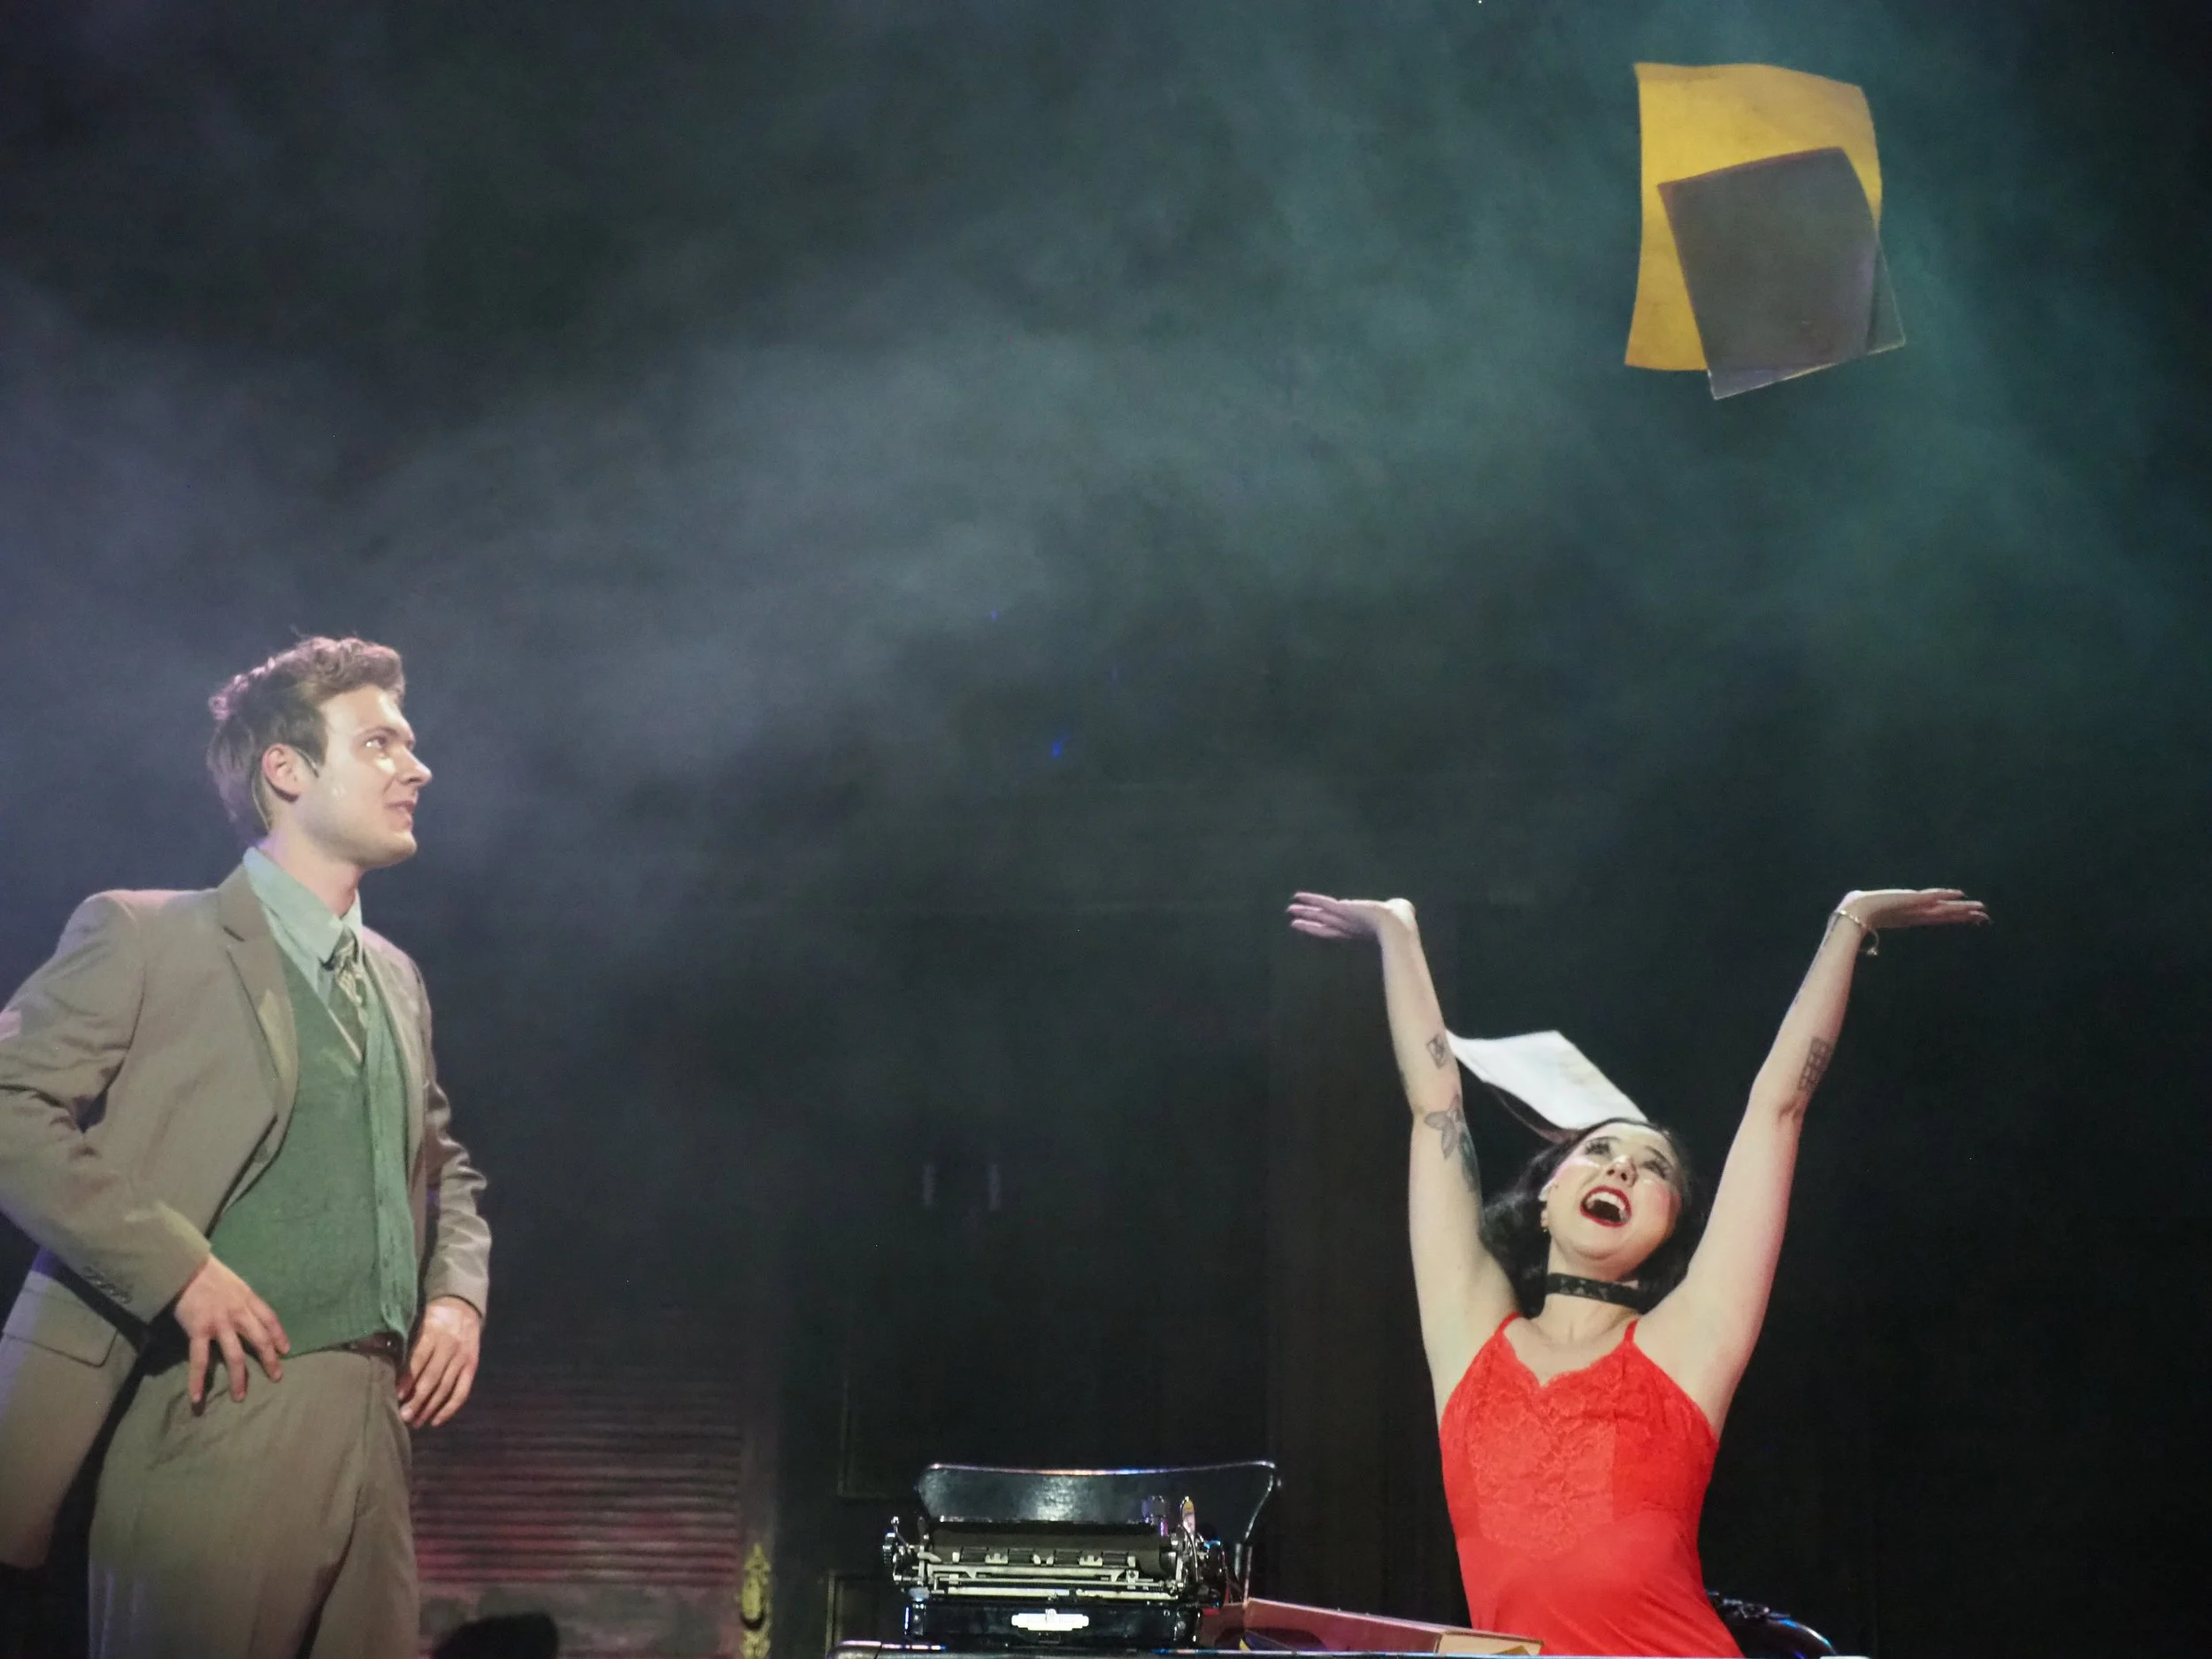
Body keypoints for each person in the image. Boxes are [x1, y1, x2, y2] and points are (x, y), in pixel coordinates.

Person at [1286, 887, 1986, 1658]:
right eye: (1598, 1150)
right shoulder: (1469, 1338)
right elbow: (1435, 1110)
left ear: (1668, 1225)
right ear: (1547, 1194)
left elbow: (1777, 1108)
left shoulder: (1690, 1345)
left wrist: (1849, 922)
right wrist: (1398, 930)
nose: (1620, 1166)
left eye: (1650, 1167)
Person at [0, 636, 492, 1659]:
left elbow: (447, 1167)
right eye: (380, 743)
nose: (418, 767)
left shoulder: (396, 976)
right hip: (216, 1407)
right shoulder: (147, 935)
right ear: (287, 769)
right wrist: (175, 1268)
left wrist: (456, 1294)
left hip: (376, 1427)